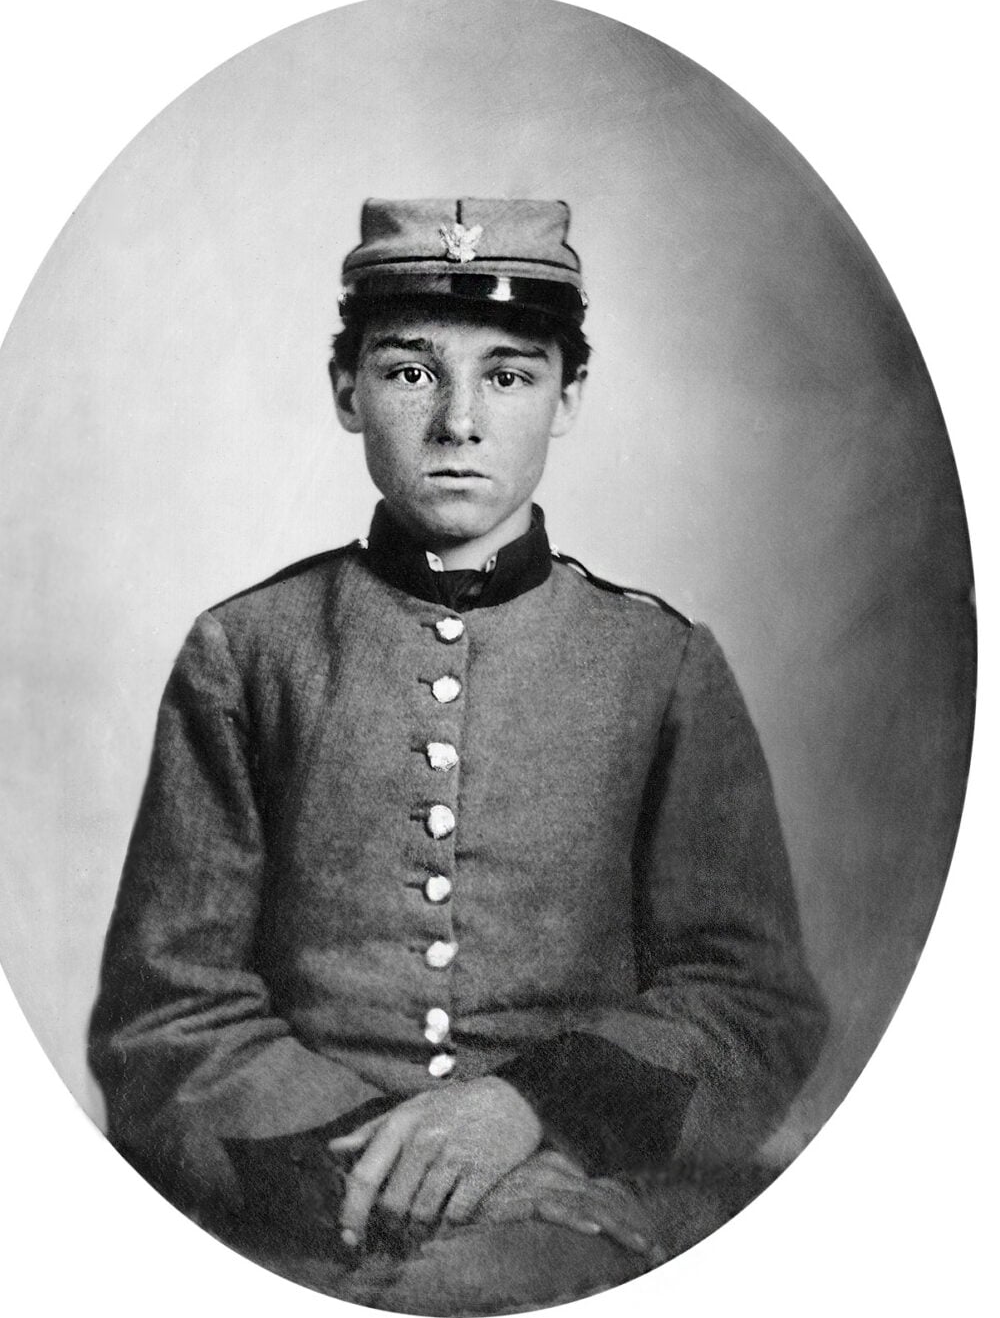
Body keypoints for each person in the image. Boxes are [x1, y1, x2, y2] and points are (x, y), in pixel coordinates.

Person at [89, 197, 828, 1314]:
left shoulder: (660, 664)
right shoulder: (245, 654)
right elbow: (165, 1019)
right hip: (304, 1202)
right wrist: (439, 1184)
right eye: (412, 372)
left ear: (569, 397)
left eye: (512, 376)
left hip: (596, 1192)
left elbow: (752, 1001)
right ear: (346, 391)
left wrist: (531, 1112)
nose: (460, 422)